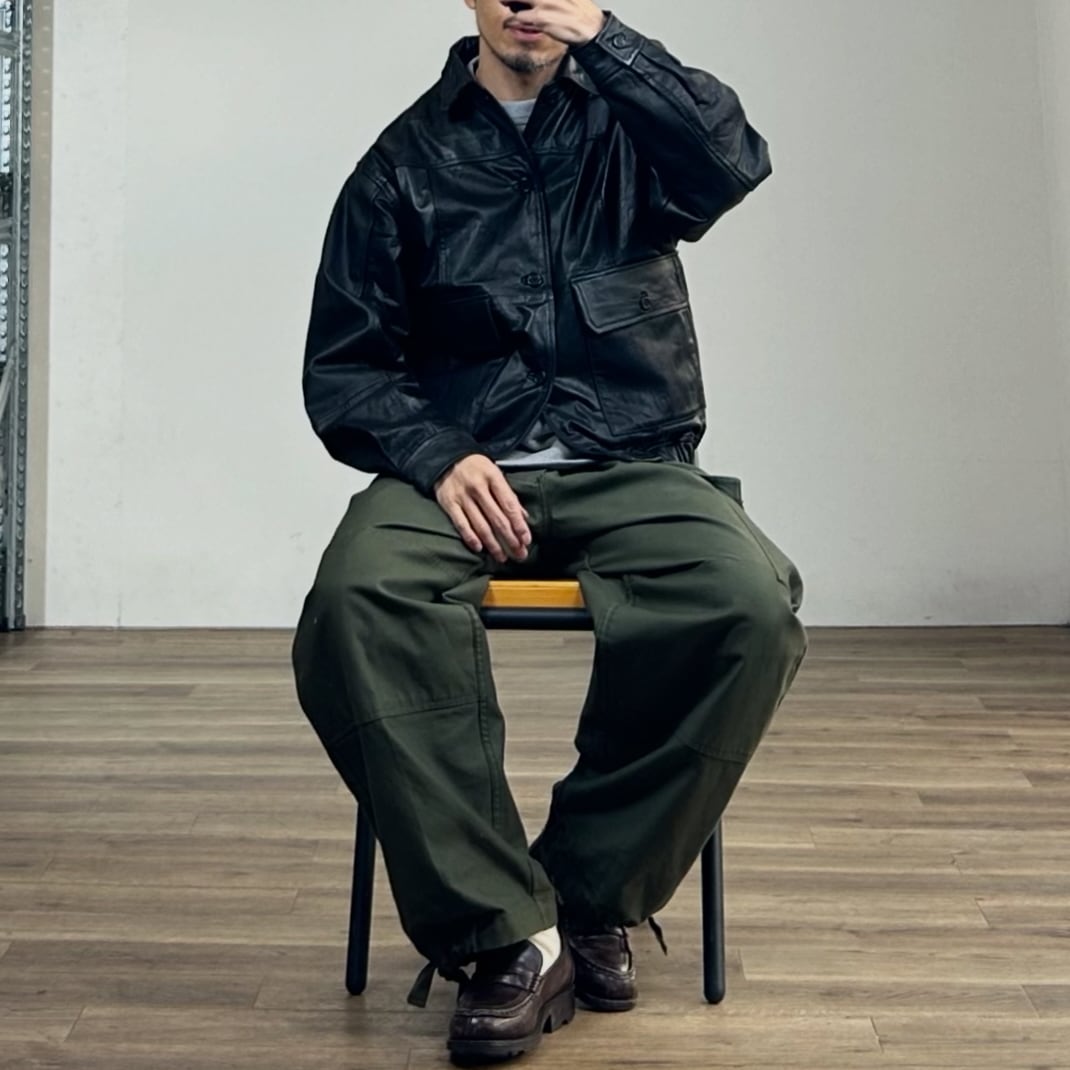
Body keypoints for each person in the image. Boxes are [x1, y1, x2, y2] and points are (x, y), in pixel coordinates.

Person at [293, 0, 807, 1063]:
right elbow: (345, 366)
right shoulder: (401, 162)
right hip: (458, 473)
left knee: (745, 604)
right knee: (354, 599)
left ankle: (582, 897)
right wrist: (436, 452)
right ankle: (504, 934)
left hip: (631, 461)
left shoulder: (633, 132)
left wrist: (607, 38)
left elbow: (733, 159)